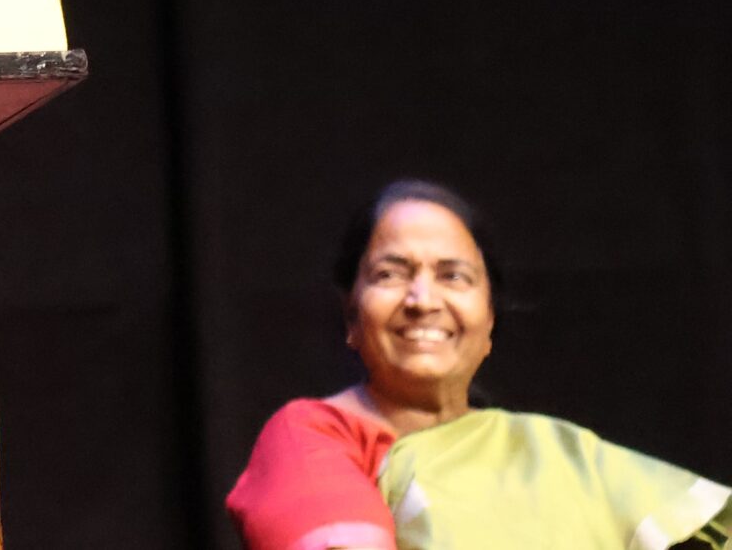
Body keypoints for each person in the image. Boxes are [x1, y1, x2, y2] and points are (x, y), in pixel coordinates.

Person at [227, 179, 730, 549]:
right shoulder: (313, 433)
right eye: (391, 274)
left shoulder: (561, 455)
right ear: (351, 316)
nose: (423, 300)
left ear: (489, 321)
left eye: (453, 276)